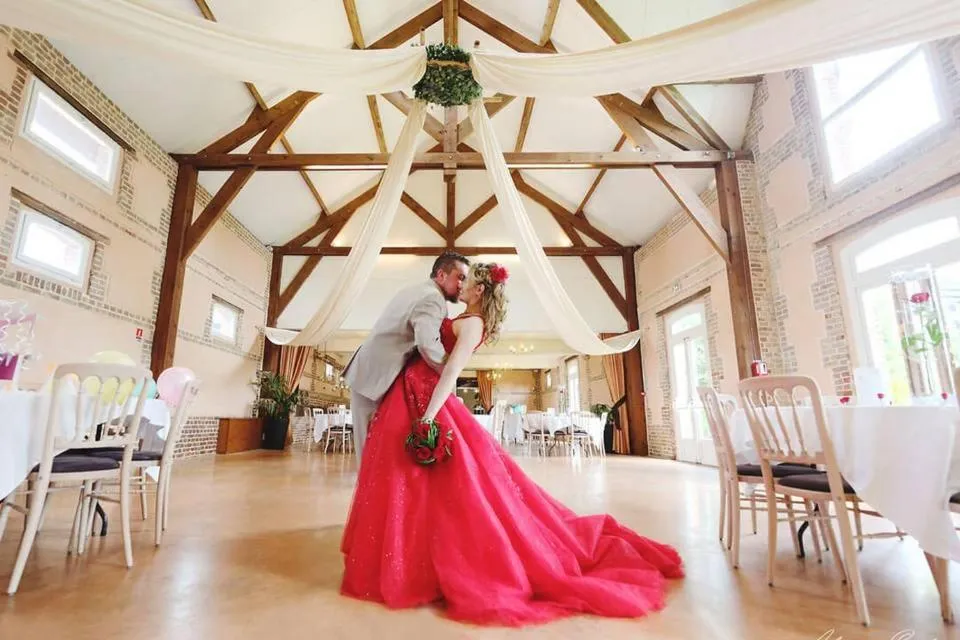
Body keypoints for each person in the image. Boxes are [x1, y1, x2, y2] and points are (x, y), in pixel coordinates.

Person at [340, 262, 683, 626]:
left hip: (427, 399)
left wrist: (428, 415)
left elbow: (450, 370)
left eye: (467, 281)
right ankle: (411, 554)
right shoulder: (457, 313)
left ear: (479, 291)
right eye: (461, 278)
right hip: (410, 394)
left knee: (443, 487)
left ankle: (421, 562)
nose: (461, 286)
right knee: (412, 483)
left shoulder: (472, 325)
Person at [342, 251, 469, 462]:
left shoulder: (418, 290)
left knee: (373, 447)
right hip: (376, 378)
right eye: (460, 277)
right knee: (370, 450)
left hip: (375, 374)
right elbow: (428, 345)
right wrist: (451, 372)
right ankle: (370, 494)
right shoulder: (432, 298)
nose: (462, 285)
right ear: (441, 275)